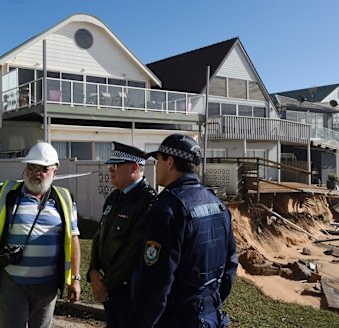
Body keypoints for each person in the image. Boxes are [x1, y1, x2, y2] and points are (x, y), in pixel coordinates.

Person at [129, 134, 238, 328]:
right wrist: (210, 303)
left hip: (176, 319)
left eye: (158, 160)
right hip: (211, 317)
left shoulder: (167, 210)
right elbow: (230, 266)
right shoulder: (218, 205)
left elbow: (156, 283)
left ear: (170, 162)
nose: (156, 166)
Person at [0, 142, 81, 328]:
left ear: (55, 171)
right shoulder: (6, 195)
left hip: (47, 287)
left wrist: (75, 279)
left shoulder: (64, 199)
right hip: (12, 284)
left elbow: (73, 240)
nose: (35, 172)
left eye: (42, 168)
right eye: (31, 167)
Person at [87, 142, 157, 327]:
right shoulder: (115, 197)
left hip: (129, 292)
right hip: (111, 291)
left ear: (134, 167)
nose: (111, 169)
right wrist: (93, 272)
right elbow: (99, 236)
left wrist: (105, 284)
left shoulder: (148, 202)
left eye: (116, 165)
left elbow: (133, 251)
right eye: (111, 164)